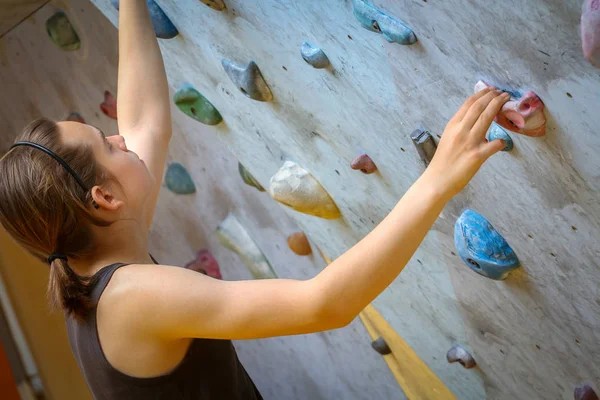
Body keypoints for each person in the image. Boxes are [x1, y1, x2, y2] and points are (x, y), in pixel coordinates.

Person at [0, 1, 510, 399]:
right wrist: (438, 178)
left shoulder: (96, 262)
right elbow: (323, 304)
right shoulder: (132, 299)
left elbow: (146, 120)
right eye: (105, 145)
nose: (119, 139)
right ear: (104, 196)